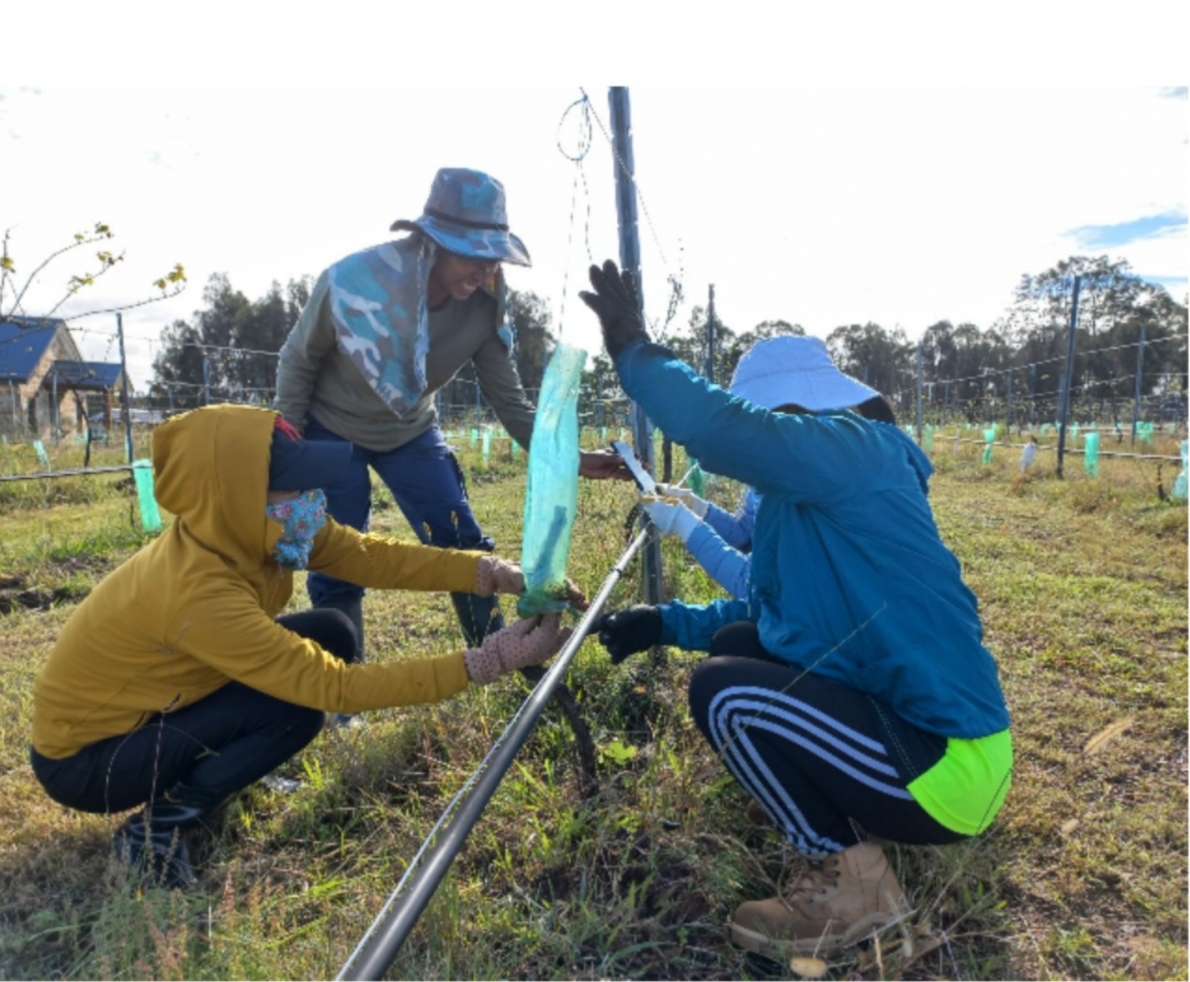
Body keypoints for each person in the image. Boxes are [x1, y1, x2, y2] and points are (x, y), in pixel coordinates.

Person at [580, 262, 1012, 961]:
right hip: (917, 737)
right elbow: (768, 606)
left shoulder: (855, 452)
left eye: (772, 423)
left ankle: (856, 887)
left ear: (801, 414)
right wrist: (663, 622)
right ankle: (836, 812)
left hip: (951, 767)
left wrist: (636, 351)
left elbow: (720, 432)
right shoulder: (802, 499)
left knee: (724, 696)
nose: (768, 443)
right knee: (740, 639)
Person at [28, 405, 577, 888]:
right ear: (235, 497)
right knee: (296, 710)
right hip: (91, 760)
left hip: (160, 705)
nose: (312, 500)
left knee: (333, 633)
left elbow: (371, 557)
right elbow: (338, 688)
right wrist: (491, 660)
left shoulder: (245, 533)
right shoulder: (197, 592)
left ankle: (225, 769)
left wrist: (491, 571)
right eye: (293, 488)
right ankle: (154, 834)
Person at [274, 167, 625, 658]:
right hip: (331, 430)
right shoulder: (353, 285)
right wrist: (288, 452)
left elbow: (509, 399)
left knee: (461, 540)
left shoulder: (485, 305)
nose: (485, 272)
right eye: (473, 257)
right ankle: (340, 682)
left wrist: (571, 456)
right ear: (432, 241)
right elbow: (298, 359)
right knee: (337, 557)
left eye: (494, 261)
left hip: (412, 432)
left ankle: (496, 657)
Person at [642, 360, 898, 601]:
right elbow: (744, 535)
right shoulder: (784, 463)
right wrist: (695, 506)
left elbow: (754, 587)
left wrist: (683, 523)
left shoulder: (806, 480)